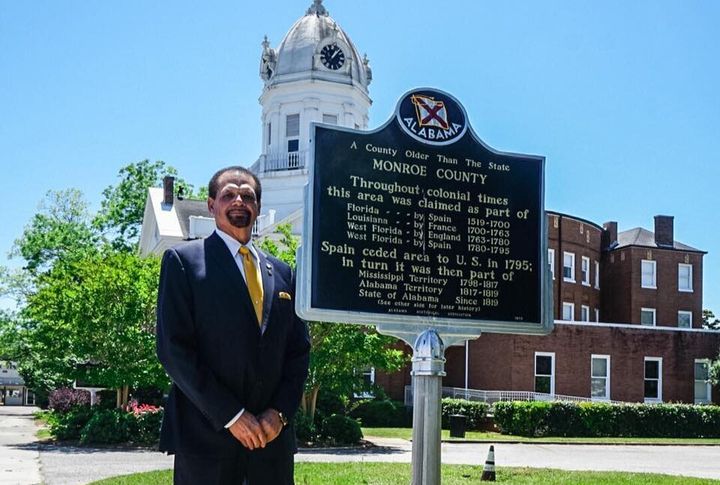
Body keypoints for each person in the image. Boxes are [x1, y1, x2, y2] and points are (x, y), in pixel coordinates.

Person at [156, 166, 311, 484]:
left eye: (248, 195)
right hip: (207, 440)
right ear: (212, 204)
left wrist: (279, 414)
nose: (239, 200)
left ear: (257, 207)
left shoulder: (282, 273)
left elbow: (298, 353)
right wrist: (232, 415)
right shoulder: (183, 262)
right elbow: (173, 350)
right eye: (229, 194)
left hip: (271, 444)